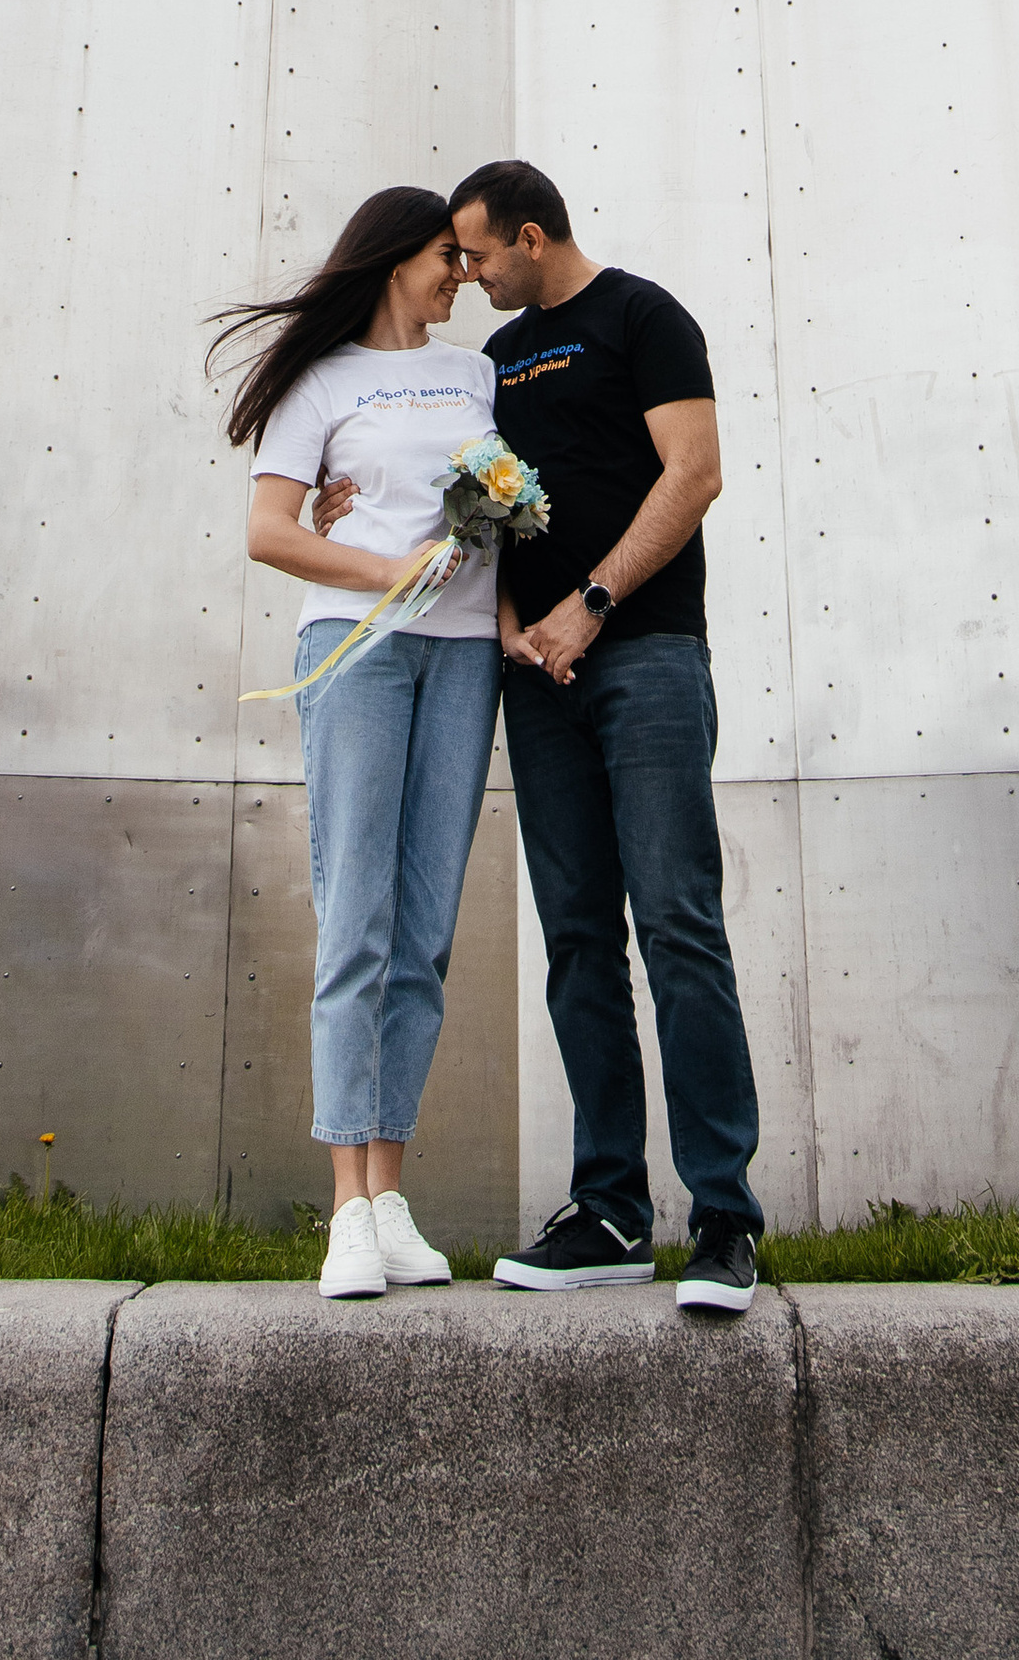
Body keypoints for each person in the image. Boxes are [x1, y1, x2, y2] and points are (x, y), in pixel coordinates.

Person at [454, 158, 765, 1316]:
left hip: (644, 661)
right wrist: (509, 628)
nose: (470, 273)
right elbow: (480, 505)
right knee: (578, 937)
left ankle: (724, 1217)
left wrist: (589, 605)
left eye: (481, 254)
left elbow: (695, 473)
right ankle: (610, 1212)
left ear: (533, 237)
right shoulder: (493, 362)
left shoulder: (642, 316)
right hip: (537, 682)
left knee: (677, 923)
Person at [213, 185, 503, 1302]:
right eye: (446, 257)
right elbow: (269, 531)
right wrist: (389, 571)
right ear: (395, 260)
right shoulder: (323, 381)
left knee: (425, 929)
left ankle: (389, 1198)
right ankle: (343, 1208)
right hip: (360, 649)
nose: (460, 277)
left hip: (465, 654)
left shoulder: (476, 375)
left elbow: (500, 511)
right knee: (359, 921)